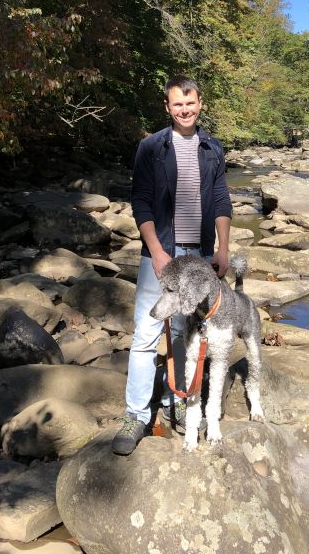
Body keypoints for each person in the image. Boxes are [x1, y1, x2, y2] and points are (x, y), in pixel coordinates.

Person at [112, 75, 232, 455]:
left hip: (198, 256)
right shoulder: (151, 147)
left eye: (190, 102)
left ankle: (177, 399)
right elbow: (141, 202)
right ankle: (135, 414)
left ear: (200, 103)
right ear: (168, 107)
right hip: (159, 253)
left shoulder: (212, 148)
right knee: (146, 333)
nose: (185, 109)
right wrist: (157, 252)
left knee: (184, 331)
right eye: (177, 104)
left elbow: (222, 198)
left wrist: (223, 248)